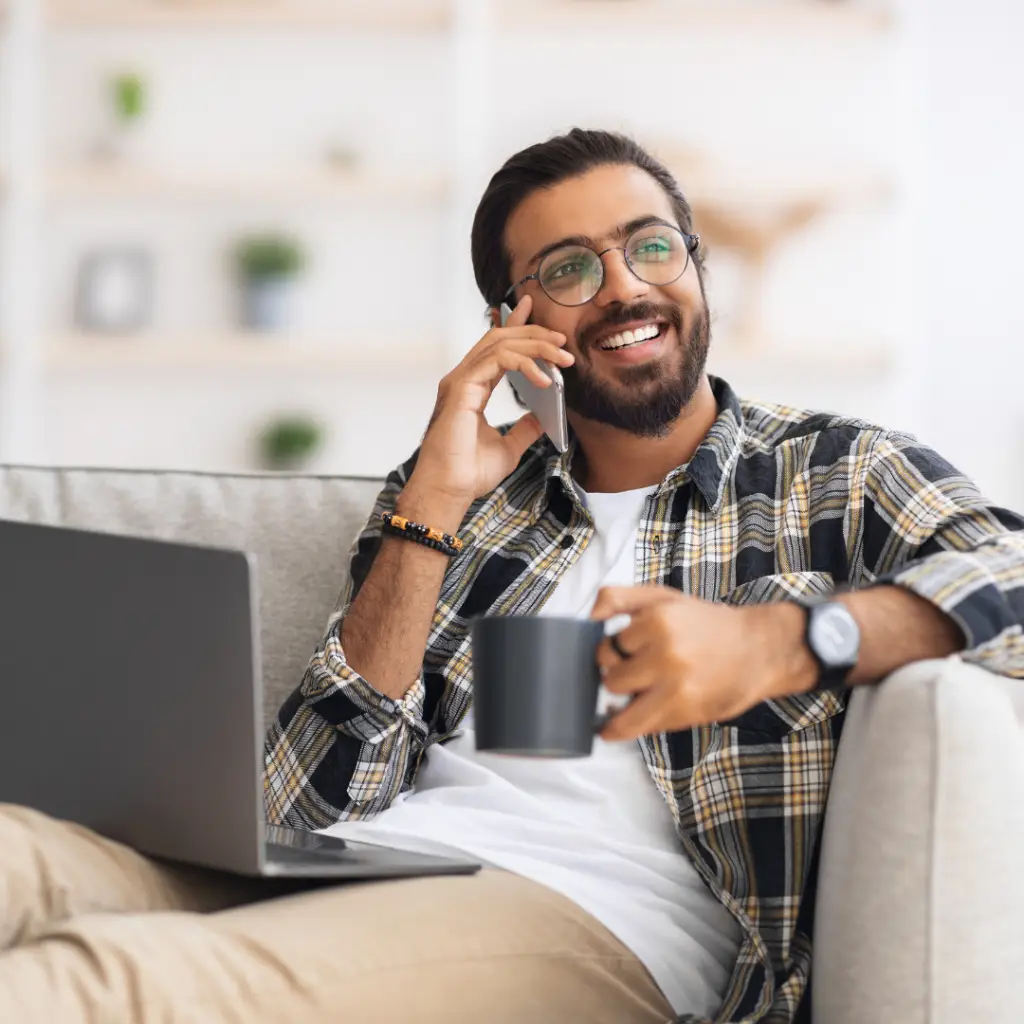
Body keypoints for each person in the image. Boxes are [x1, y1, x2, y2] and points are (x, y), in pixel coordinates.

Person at [3, 129, 1023, 1024]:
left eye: (650, 246)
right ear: (517, 318)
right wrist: (432, 506)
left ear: (696, 270)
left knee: (100, 983)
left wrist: (784, 641)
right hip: (371, 867)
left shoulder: (835, 473)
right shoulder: (469, 500)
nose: (624, 285)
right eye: (570, 268)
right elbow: (301, 807)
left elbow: (1012, 580)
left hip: (594, 917)